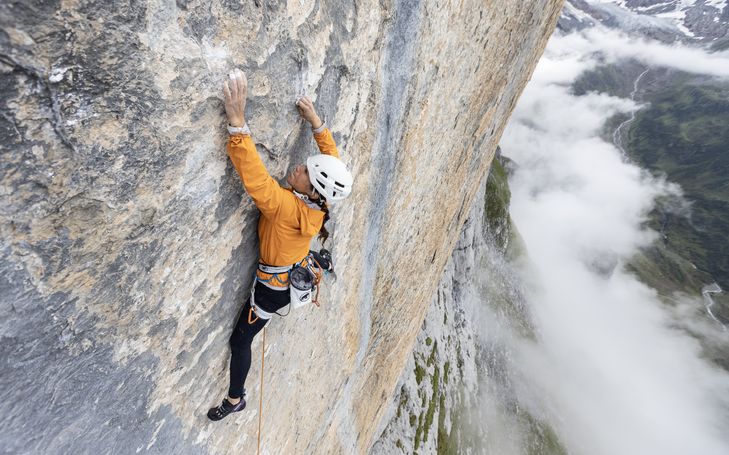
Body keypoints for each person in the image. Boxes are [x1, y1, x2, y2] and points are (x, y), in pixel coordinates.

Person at [207, 69, 353, 421]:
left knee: (240, 342)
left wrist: (238, 125)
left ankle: (235, 398)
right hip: (294, 260)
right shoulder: (320, 203)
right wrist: (316, 122)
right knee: (304, 254)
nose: (298, 168)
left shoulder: (286, 207)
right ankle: (321, 261)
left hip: (273, 292)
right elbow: (330, 157)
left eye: (304, 171)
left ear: (311, 188)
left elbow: (257, 180)